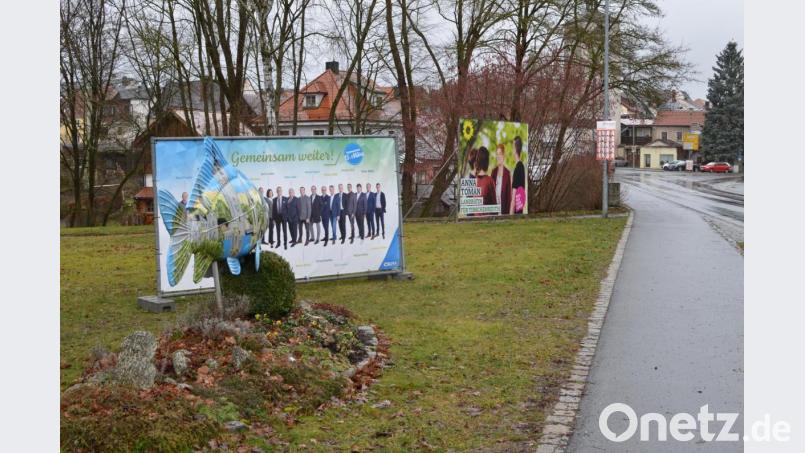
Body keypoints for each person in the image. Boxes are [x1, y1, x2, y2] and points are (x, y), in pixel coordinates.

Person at [490, 144, 512, 215]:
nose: (498, 156)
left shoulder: (507, 173)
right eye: (497, 154)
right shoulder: (493, 172)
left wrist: (507, 216)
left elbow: (509, 198)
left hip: (503, 210)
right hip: (494, 210)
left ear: (503, 156)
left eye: (500, 154)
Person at [511, 136, 526, 214]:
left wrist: (509, 216)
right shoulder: (522, 167)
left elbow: (513, 198)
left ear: (514, 149)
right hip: (520, 211)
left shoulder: (517, 169)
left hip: (516, 213)